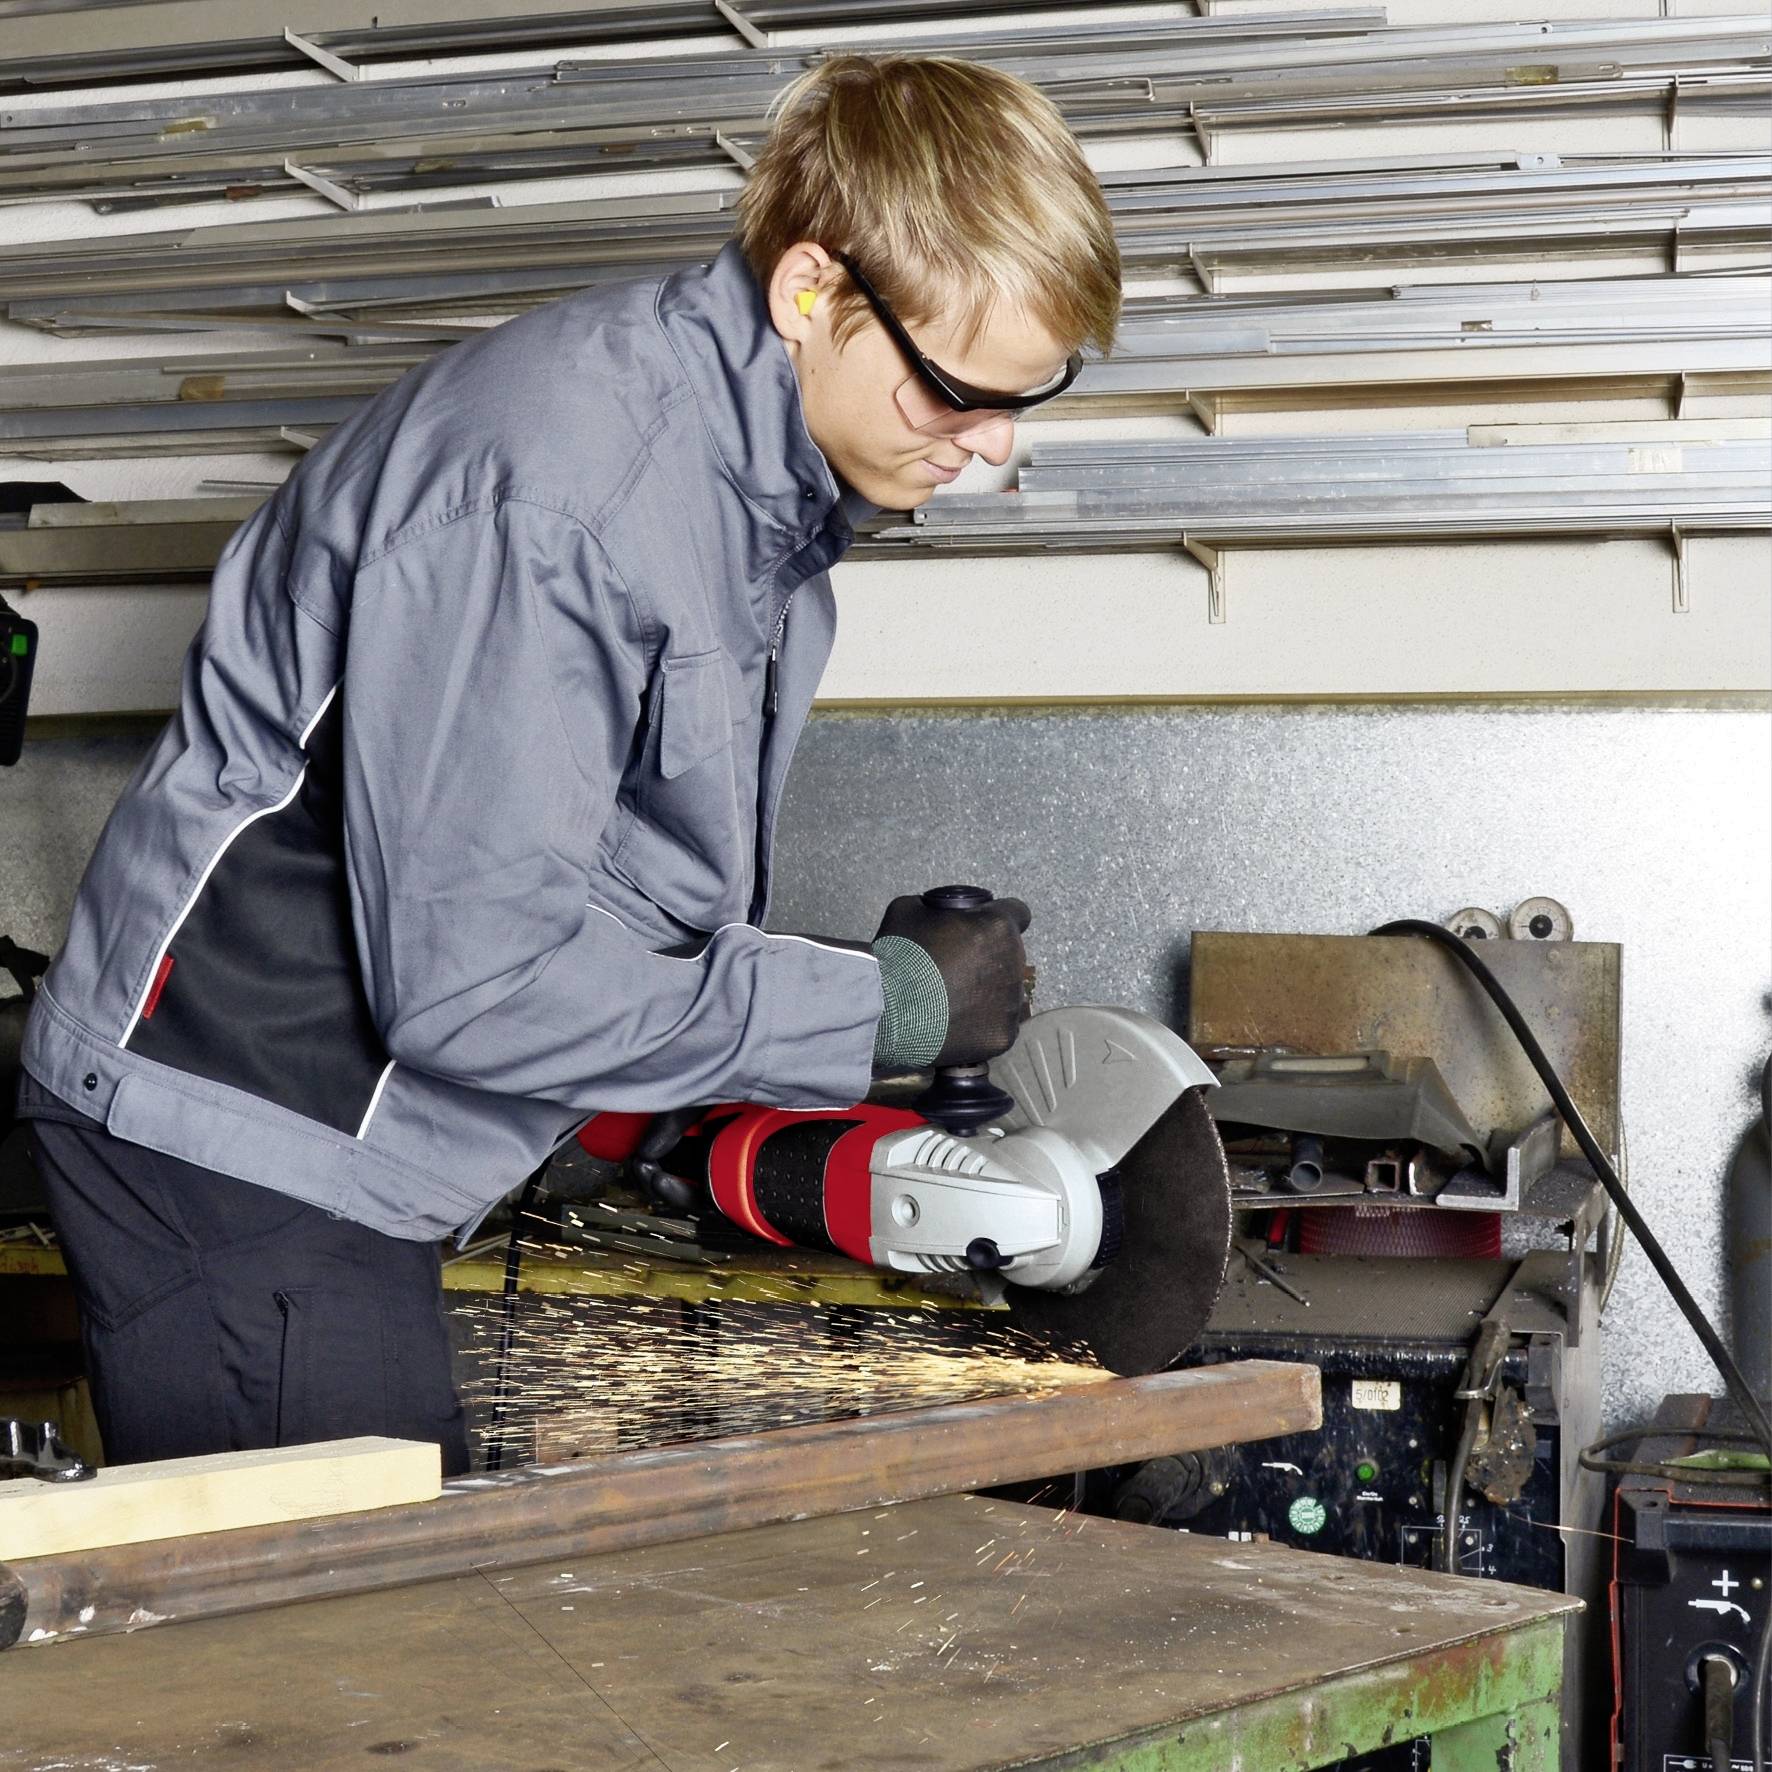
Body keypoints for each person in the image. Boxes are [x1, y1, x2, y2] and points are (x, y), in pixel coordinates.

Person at [17, 55, 1123, 1474]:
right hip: (240, 1139)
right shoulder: (562, 504)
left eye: (1032, 395)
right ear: (807, 293)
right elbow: (474, 985)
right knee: (335, 1666)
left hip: (342, 1139)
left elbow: (587, 880)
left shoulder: (753, 507)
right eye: (958, 391)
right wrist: (881, 1006)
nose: (992, 445)